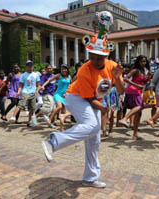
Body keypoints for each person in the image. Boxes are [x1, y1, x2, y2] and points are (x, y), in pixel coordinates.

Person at [41, 33, 124, 188]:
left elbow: (120, 90)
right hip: (76, 98)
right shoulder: (84, 71)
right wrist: (104, 109)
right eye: (92, 57)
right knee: (93, 125)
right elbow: (90, 99)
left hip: (94, 101)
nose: (95, 61)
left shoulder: (112, 66)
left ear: (106, 55)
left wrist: (118, 77)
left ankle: (90, 178)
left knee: (94, 140)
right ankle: (53, 142)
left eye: (99, 57)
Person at [118, 55, 152, 140]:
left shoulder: (144, 71)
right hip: (133, 91)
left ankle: (135, 133)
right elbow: (125, 78)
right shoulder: (135, 70)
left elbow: (144, 82)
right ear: (138, 62)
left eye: (144, 61)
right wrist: (136, 85)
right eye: (141, 61)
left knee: (139, 112)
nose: (143, 63)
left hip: (138, 92)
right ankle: (124, 119)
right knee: (139, 107)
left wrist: (149, 78)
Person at [9, 60, 40, 127]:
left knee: (32, 108)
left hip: (33, 93)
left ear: (33, 66)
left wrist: (37, 90)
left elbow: (38, 85)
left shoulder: (36, 75)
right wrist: (18, 93)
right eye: (28, 65)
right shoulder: (23, 75)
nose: (30, 67)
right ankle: (13, 117)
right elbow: (20, 86)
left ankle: (29, 122)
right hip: (25, 92)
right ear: (26, 67)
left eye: (31, 65)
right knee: (21, 104)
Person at [41, 64, 71, 131]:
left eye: (65, 68)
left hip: (64, 95)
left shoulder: (69, 76)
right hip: (57, 94)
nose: (64, 70)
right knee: (59, 107)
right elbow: (49, 80)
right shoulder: (58, 75)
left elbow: (70, 86)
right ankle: (50, 119)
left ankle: (61, 127)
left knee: (63, 111)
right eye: (62, 69)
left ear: (67, 69)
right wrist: (43, 86)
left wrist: (67, 93)